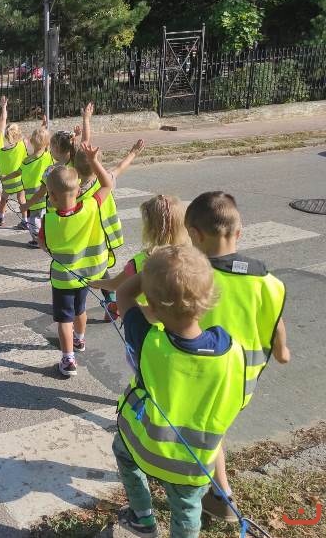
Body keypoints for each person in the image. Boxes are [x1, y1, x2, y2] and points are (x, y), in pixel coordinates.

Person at [113, 244, 246, 538]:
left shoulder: (148, 340)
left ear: (152, 307)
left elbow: (123, 293)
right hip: (195, 462)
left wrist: (150, 271)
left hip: (145, 449)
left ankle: (142, 518)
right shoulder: (230, 349)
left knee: (122, 453)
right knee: (187, 510)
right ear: (208, 299)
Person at [184, 191, 289, 523]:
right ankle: (217, 493)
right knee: (214, 429)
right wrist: (282, 351)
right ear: (239, 233)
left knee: (207, 433)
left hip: (204, 376)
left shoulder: (196, 278)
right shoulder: (266, 281)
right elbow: (276, 323)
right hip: (244, 380)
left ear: (195, 234)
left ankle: (219, 495)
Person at [38, 141, 112, 377]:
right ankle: (80, 340)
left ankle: (68, 359)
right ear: (78, 190)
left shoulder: (49, 220)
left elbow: (44, 245)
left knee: (64, 319)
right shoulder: (91, 206)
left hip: (63, 280)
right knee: (80, 311)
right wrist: (94, 161)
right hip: (87, 275)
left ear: (51, 196)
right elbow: (107, 184)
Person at [73, 105, 145, 319]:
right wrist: (133, 152)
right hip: (103, 239)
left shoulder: (73, 190)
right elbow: (121, 166)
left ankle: (78, 310)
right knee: (102, 269)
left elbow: (84, 145)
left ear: (74, 167)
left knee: (83, 275)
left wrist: (86, 119)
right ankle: (111, 302)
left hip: (83, 242)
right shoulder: (107, 181)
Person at [90, 194, 188, 318]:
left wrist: (94, 283)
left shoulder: (140, 262)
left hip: (146, 322)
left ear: (150, 229)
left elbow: (115, 284)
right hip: (180, 323)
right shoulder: (190, 257)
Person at [22, 124, 80, 214]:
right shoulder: (75, 163)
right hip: (73, 210)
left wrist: (26, 205)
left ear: (56, 148)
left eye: (51, 148)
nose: (50, 150)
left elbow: (40, 193)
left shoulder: (50, 171)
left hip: (54, 213)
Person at [20, 124, 53, 247]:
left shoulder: (26, 161)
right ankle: (45, 237)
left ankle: (38, 240)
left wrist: (6, 177)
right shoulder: (49, 157)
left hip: (32, 196)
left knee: (33, 220)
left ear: (31, 141)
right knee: (42, 217)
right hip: (46, 194)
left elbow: (18, 172)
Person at [0, 123, 29, 227]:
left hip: (7, 180)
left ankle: (0, 216)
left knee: (4, 198)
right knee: (21, 199)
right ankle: (25, 220)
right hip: (20, 179)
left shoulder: (0, 152)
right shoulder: (22, 145)